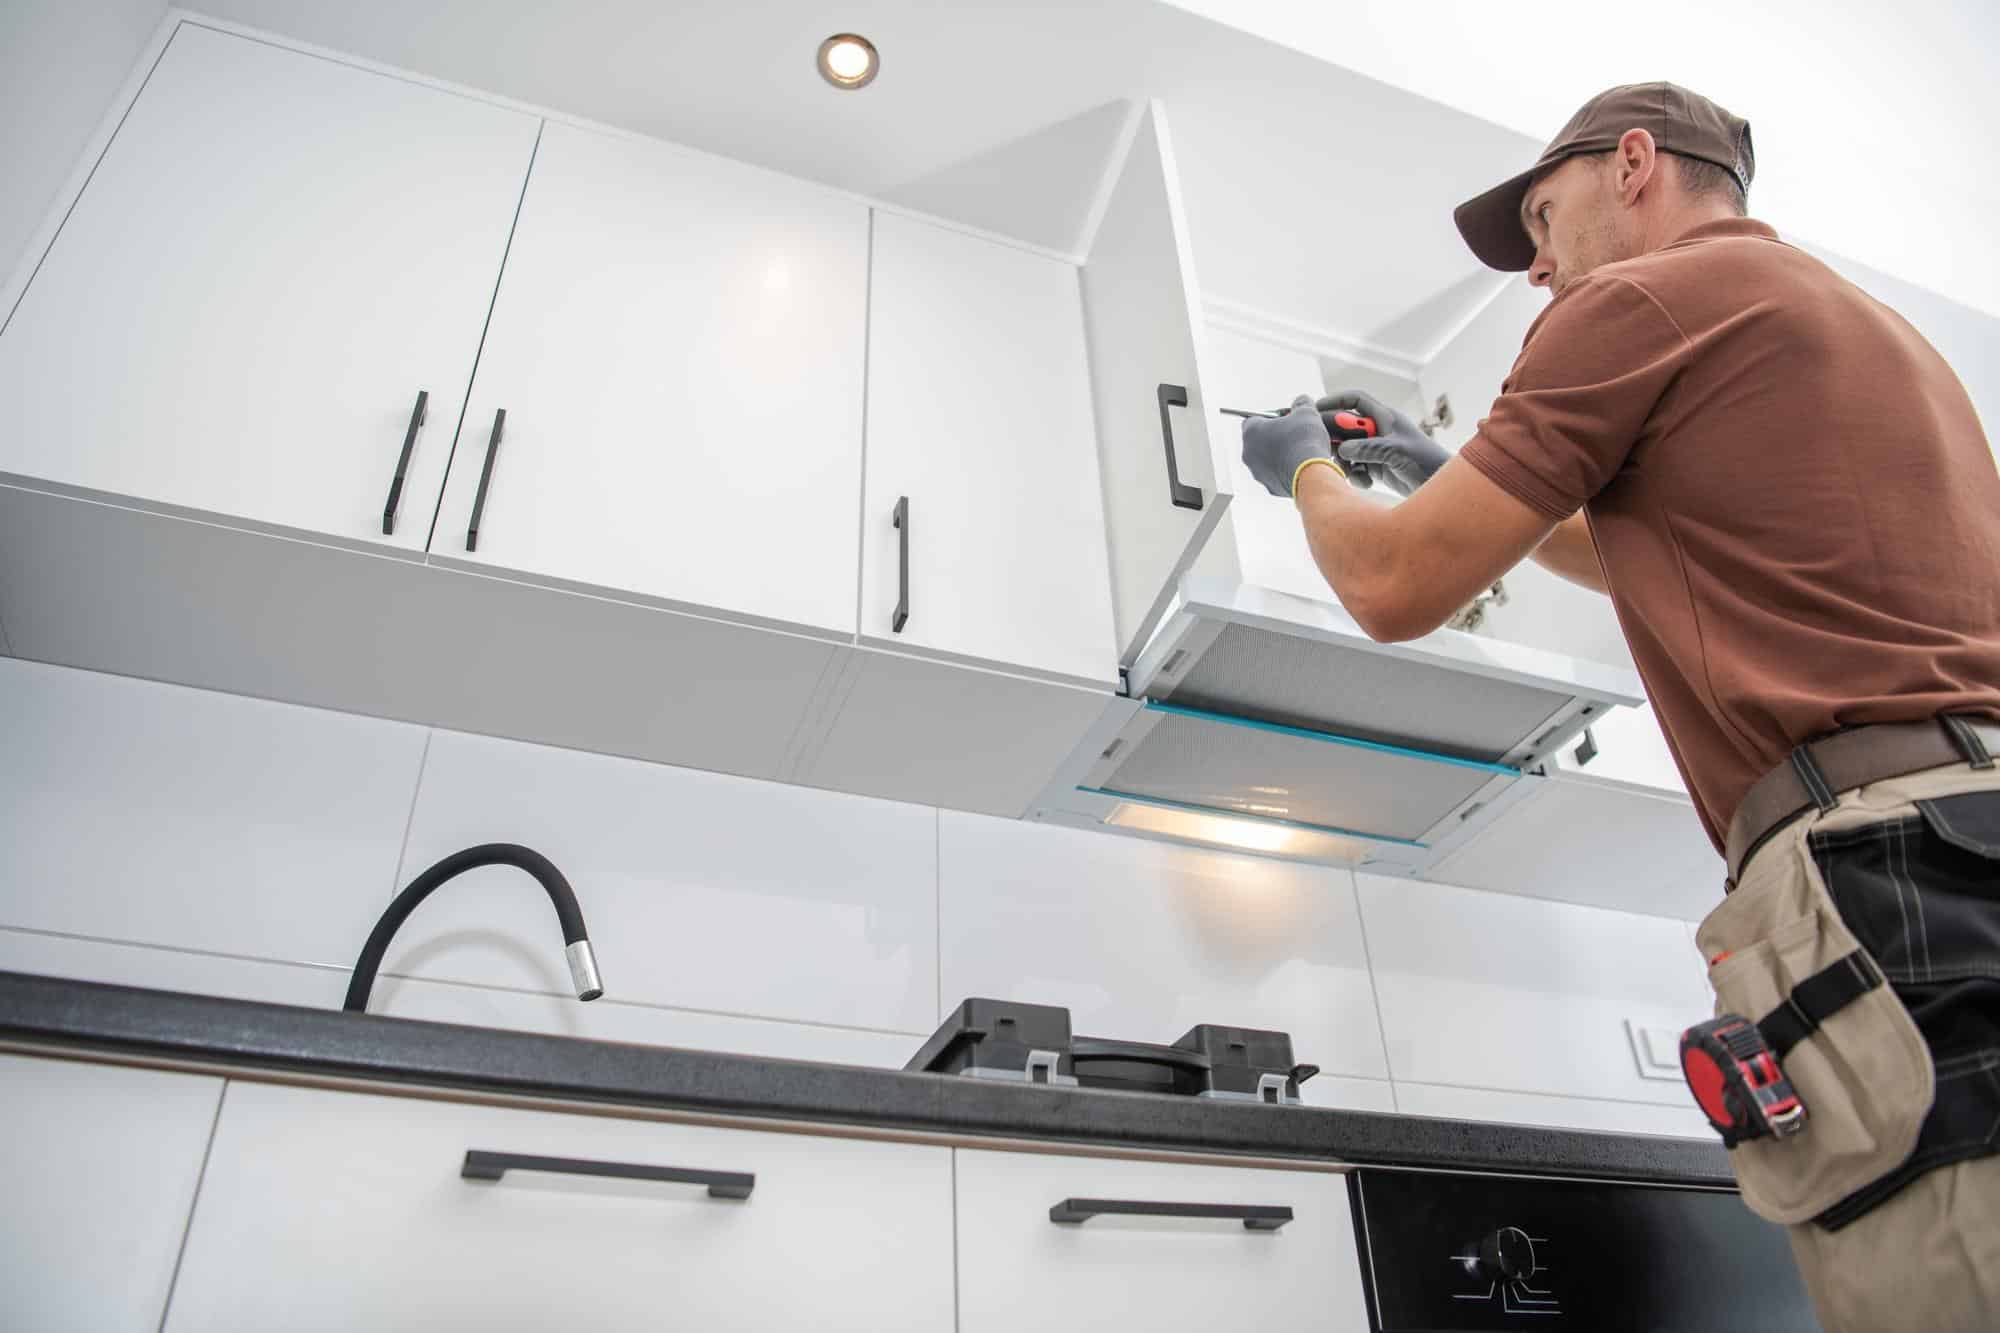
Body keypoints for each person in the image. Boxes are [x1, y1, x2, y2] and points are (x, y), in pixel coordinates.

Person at [1240, 82, 2000, 1332]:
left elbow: (1388, 584)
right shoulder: (1873, 332)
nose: (1539, 268)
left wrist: (1306, 470)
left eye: (1543, 218)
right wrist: (1456, 480)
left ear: (1632, 164)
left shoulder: (1634, 300)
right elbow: (1670, 545)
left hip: (1884, 875)